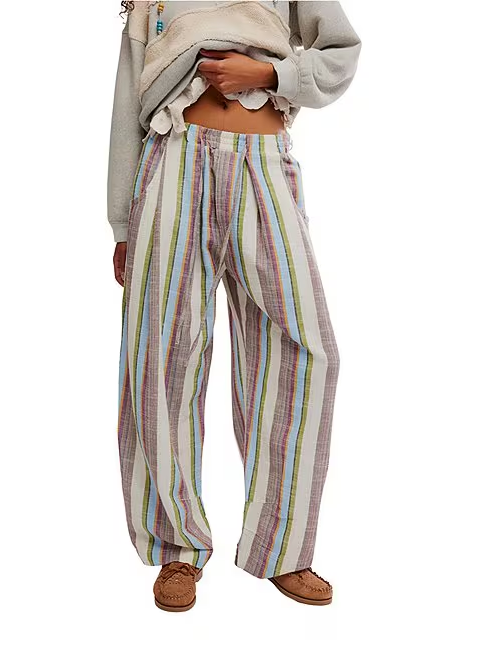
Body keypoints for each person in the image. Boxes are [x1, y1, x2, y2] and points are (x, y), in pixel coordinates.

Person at [107, 0, 361, 612]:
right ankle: (176, 548)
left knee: (308, 351)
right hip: (173, 159)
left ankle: (283, 548)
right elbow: (127, 101)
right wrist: (122, 225)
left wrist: (270, 74)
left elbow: (340, 50)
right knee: (161, 356)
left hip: (263, 163)